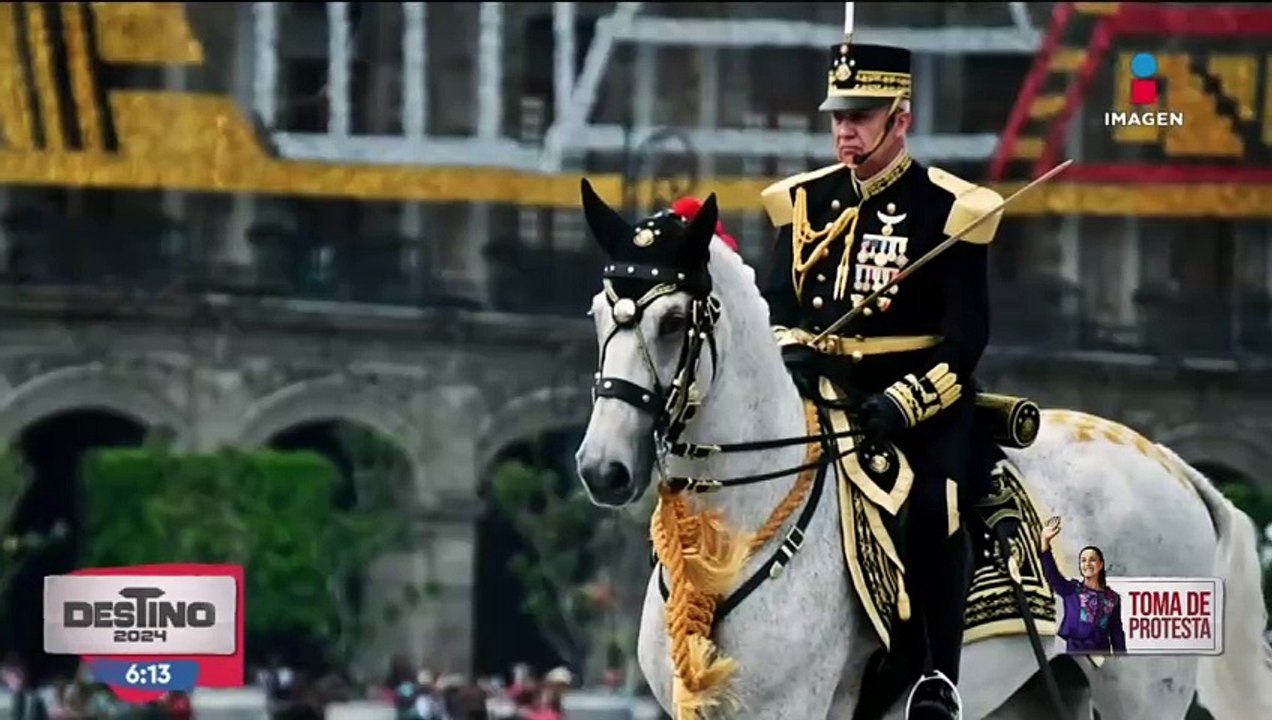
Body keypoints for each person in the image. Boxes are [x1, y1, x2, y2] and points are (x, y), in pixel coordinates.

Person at [759, 35, 1005, 720]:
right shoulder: (802, 202)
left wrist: (906, 402)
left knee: (933, 505)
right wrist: (791, 349)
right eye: (838, 116)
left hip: (916, 406)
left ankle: (937, 676)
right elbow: (776, 308)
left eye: (861, 117)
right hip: (823, 397)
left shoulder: (951, 209)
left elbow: (966, 339)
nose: (845, 130)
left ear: (901, 119)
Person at [1039, 516, 1127, 654]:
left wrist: (1121, 661)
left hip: (1102, 656)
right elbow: (1052, 575)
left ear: (1100, 564)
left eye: (1092, 560)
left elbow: (1117, 634)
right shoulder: (1071, 590)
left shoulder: (1112, 598)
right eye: (1083, 560)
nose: (1087, 564)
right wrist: (1045, 542)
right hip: (1075, 654)